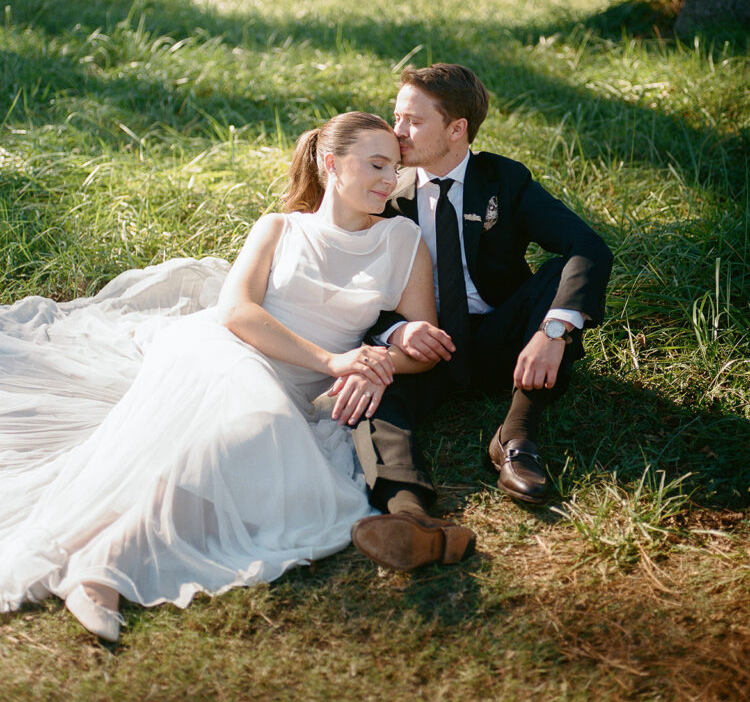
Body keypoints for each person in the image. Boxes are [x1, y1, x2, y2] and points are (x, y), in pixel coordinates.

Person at [0, 112, 473, 644]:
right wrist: (336, 362)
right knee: (256, 415)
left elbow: (424, 346)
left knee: (236, 442)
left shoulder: (402, 240)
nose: (390, 180)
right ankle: (100, 571)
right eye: (376, 165)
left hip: (303, 386)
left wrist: (384, 356)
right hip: (224, 349)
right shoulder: (279, 228)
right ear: (331, 163)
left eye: (396, 167)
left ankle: (101, 555)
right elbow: (238, 313)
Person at [349, 65, 613, 572]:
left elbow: (586, 247)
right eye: (396, 117)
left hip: (500, 335)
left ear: (457, 129)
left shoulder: (504, 180)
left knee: (560, 282)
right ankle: (408, 513)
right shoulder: (388, 190)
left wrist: (552, 331)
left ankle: (515, 437)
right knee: (372, 388)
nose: (397, 133)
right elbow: (359, 281)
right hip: (426, 344)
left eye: (413, 122)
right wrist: (397, 330)